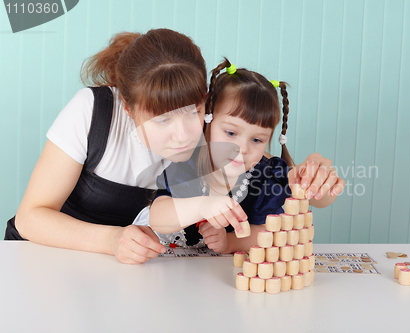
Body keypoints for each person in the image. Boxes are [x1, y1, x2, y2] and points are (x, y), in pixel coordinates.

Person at [5, 29, 208, 264]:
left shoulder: (217, 130)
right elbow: (30, 218)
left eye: (194, 111)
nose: (183, 136)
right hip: (38, 257)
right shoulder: (92, 112)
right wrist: (112, 240)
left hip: (110, 268)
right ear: (128, 108)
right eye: (162, 120)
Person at [139, 59, 344, 253]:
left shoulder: (264, 174)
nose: (242, 148)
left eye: (257, 140)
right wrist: (203, 206)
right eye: (230, 133)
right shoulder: (189, 162)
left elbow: (274, 229)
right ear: (207, 120)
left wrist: (230, 242)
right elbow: (158, 217)